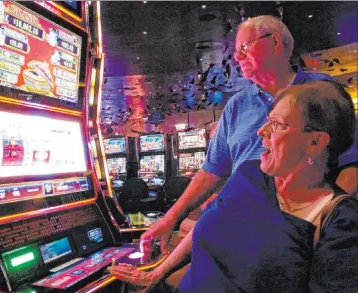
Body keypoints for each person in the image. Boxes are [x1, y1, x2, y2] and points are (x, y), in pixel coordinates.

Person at [108, 80, 358, 293]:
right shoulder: (249, 175)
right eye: (266, 121)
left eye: (277, 125)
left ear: (315, 141)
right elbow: (206, 227)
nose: (262, 132)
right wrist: (157, 273)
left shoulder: (339, 220)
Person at [139, 15, 358, 255]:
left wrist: (319, 223)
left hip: (302, 235)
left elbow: (352, 163)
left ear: (275, 42)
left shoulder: (322, 91)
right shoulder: (236, 105)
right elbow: (211, 172)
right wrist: (168, 220)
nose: (236, 56)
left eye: (244, 47)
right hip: (243, 230)